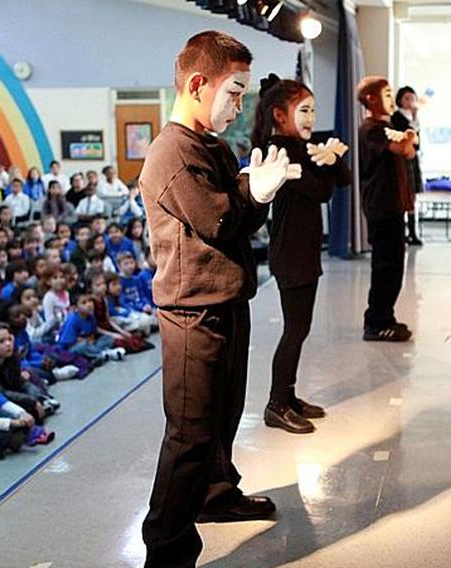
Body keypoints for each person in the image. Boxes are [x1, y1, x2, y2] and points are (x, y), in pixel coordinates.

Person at [138, 30, 307, 567]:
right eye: (234, 92)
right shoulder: (172, 151)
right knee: (189, 435)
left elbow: (238, 218)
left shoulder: (209, 143)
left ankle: (215, 495)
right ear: (196, 84)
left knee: (223, 418)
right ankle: (165, 548)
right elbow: (217, 219)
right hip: (192, 312)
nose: (240, 105)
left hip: (225, 298)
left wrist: (253, 190)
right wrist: (251, 191)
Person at [251, 74, 350, 434]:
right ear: (279, 115)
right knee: (295, 329)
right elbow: (321, 190)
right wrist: (330, 159)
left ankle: (288, 396)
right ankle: (277, 403)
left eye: (313, 110)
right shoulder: (282, 150)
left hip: (302, 248)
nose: (311, 117)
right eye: (303, 110)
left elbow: (343, 179)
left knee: (300, 327)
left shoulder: (298, 145)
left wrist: (332, 157)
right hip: (290, 251)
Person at [357, 75, 416, 342]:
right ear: (371, 99)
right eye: (387, 94)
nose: (391, 101)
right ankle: (376, 322)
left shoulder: (386, 125)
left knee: (394, 266)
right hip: (381, 206)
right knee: (385, 267)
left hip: (392, 206)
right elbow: (405, 149)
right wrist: (409, 137)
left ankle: (385, 317)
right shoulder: (371, 128)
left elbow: (410, 150)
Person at [391, 86, 424, 246]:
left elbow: (418, 142)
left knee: (412, 195)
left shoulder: (414, 117)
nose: (410, 102)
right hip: (402, 159)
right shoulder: (396, 117)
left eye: (412, 98)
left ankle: (412, 231)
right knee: (402, 194)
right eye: (407, 98)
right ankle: (403, 232)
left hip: (413, 158)